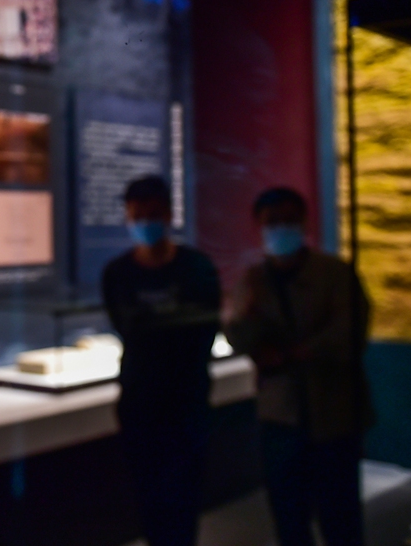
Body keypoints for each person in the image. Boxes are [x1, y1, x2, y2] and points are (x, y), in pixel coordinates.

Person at [224, 187, 373, 546]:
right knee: (289, 517)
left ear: (304, 222)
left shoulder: (334, 273)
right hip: (280, 416)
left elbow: (350, 330)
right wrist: (248, 320)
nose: (281, 228)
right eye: (272, 222)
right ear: (258, 226)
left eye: (289, 220)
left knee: (340, 518)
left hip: (333, 413)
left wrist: (295, 354)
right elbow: (237, 334)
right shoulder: (253, 279)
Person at [102, 175, 222, 546]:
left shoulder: (197, 267)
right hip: (140, 405)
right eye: (137, 215)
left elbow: (204, 330)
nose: (144, 223)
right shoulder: (117, 273)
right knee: (149, 503)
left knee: (184, 502)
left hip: (186, 404)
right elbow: (126, 329)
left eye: (152, 214)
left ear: (168, 214)